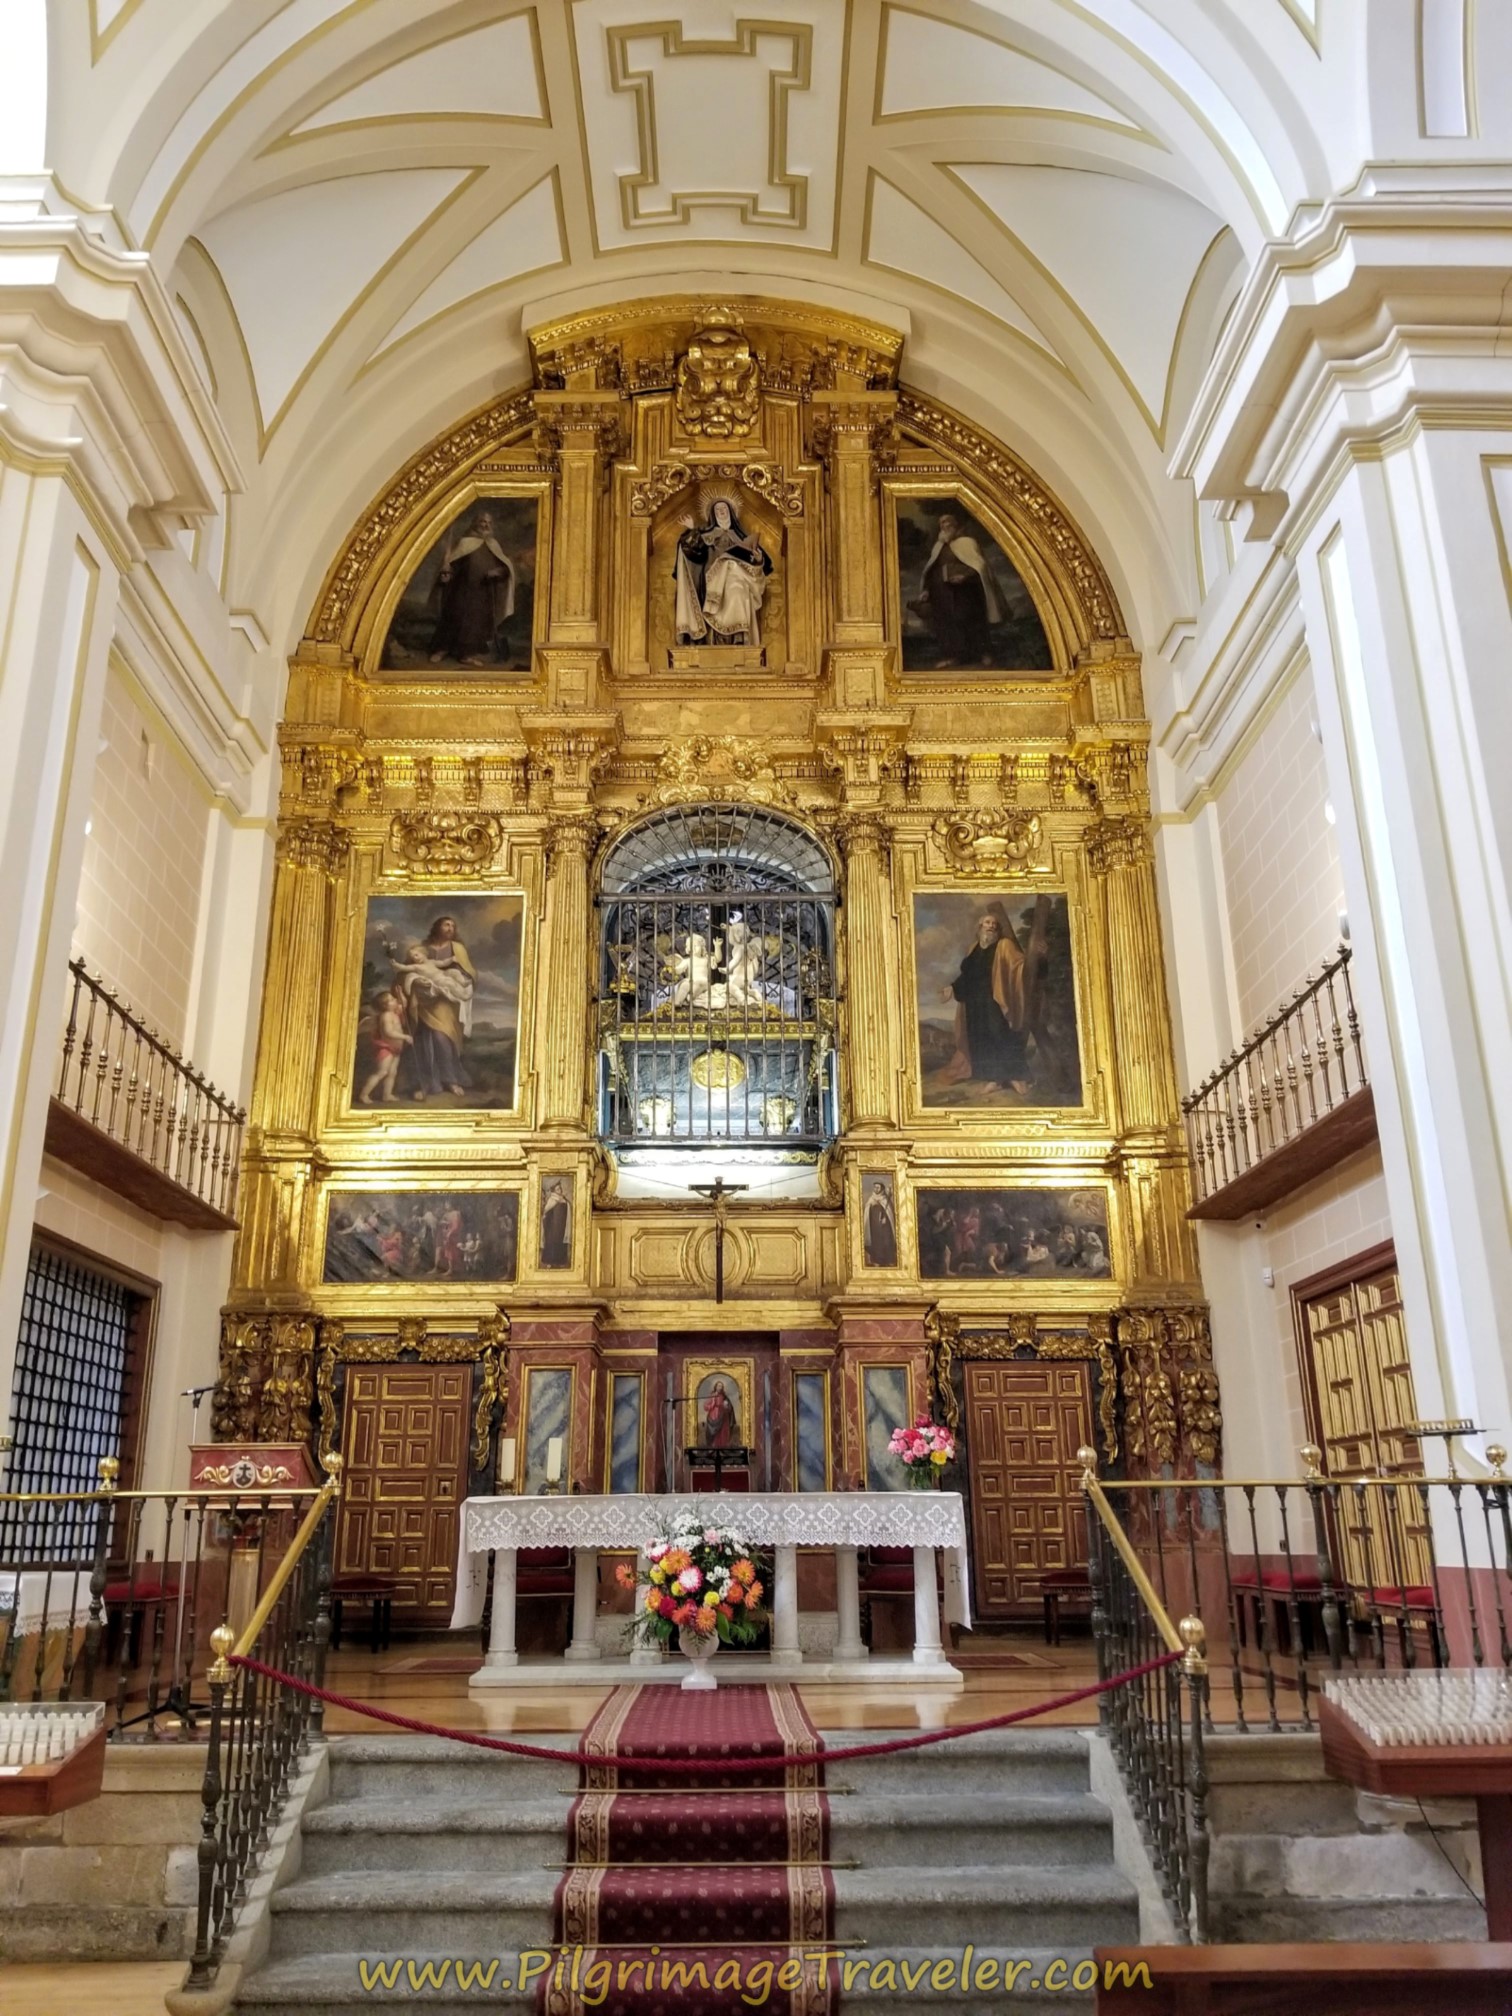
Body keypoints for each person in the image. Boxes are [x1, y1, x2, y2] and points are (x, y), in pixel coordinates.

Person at [941, 907, 1030, 1094]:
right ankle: (994, 1079)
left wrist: (1036, 959)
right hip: (975, 1002)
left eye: (994, 925)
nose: (991, 926)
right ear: (980, 927)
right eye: (988, 923)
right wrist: (952, 987)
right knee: (981, 1039)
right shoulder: (973, 948)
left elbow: (1020, 965)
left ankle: (1016, 1076)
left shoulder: (1004, 945)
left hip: (994, 1000)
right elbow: (967, 975)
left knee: (1001, 1034)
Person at [391, 917, 475, 1099]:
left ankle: (451, 1080)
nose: (450, 928)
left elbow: (469, 973)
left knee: (442, 1038)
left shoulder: (457, 948)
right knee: (423, 1041)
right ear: (437, 926)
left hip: (445, 1002)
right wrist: (409, 983)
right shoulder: (422, 948)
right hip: (422, 1001)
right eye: (446, 924)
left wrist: (454, 979)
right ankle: (426, 1084)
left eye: (453, 925)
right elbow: (406, 969)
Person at [911, 510, 1003, 667]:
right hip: (942, 593)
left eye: (948, 522)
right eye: (942, 523)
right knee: (946, 625)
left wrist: (964, 576)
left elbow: (979, 566)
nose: (945, 526)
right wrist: (926, 590)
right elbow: (931, 570)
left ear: (955, 526)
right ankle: (953, 656)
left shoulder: (967, 543)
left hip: (966, 592)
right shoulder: (938, 547)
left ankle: (983, 653)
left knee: (971, 621)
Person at [674, 500, 772, 645]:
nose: (721, 511)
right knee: (722, 597)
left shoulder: (740, 538)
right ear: (713, 515)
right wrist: (692, 530)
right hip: (712, 581)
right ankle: (716, 642)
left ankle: (739, 638)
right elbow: (693, 553)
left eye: (724, 508)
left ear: (731, 513)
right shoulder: (707, 536)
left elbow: (759, 567)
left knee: (738, 592)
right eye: (717, 509)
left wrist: (758, 558)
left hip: (737, 579)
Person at [428, 508, 516, 666]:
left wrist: (499, 571)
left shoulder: (493, 545)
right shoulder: (465, 542)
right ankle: (442, 649)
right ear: (476, 523)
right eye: (483, 521)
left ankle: (466, 655)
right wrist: (446, 573)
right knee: (452, 618)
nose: (485, 525)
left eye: (488, 523)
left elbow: (504, 568)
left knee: (474, 624)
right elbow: (452, 564)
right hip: (461, 590)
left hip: (483, 593)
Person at [357, 987, 411, 1104]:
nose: (395, 1000)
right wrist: (405, 1037)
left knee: (392, 1072)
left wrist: (400, 993)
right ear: (385, 1005)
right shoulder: (386, 1016)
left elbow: (404, 1004)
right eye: (391, 999)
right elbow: (388, 1032)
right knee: (382, 1072)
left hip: (396, 1049)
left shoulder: (395, 1013)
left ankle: (387, 1095)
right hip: (386, 1048)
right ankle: (364, 1094)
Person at [864, 1179, 898, 1267]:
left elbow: (890, 1212)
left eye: (878, 1187)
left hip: (885, 1227)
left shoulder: (885, 1199)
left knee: (887, 1241)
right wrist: (872, 1206)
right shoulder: (871, 1199)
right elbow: (867, 1212)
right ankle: (877, 1260)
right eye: (875, 1187)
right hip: (875, 1226)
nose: (876, 1189)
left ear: (882, 1188)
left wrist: (885, 1218)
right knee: (876, 1243)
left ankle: (889, 1260)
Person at [540, 1179, 571, 1268]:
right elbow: (545, 1212)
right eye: (558, 1189)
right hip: (552, 1228)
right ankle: (549, 1261)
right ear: (554, 1191)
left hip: (561, 1227)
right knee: (552, 1244)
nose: (560, 1191)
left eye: (560, 1189)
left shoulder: (564, 1200)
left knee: (560, 1244)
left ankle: (560, 1261)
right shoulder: (552, 1200)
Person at [702, 1379, 737, 1447]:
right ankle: (713, 1447)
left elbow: (730, 1408)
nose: (720, 1387)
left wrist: (726, 1406)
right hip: (713, 1417)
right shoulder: (712, 1396)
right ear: (715, 1387)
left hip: (724, 1417)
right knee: (714, 1434)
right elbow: (706, 1407)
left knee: (723, 1433)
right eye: (718, 1386)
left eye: (721, 1386)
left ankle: (723, 1447)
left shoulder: (724, 1397)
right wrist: (713, 1404)